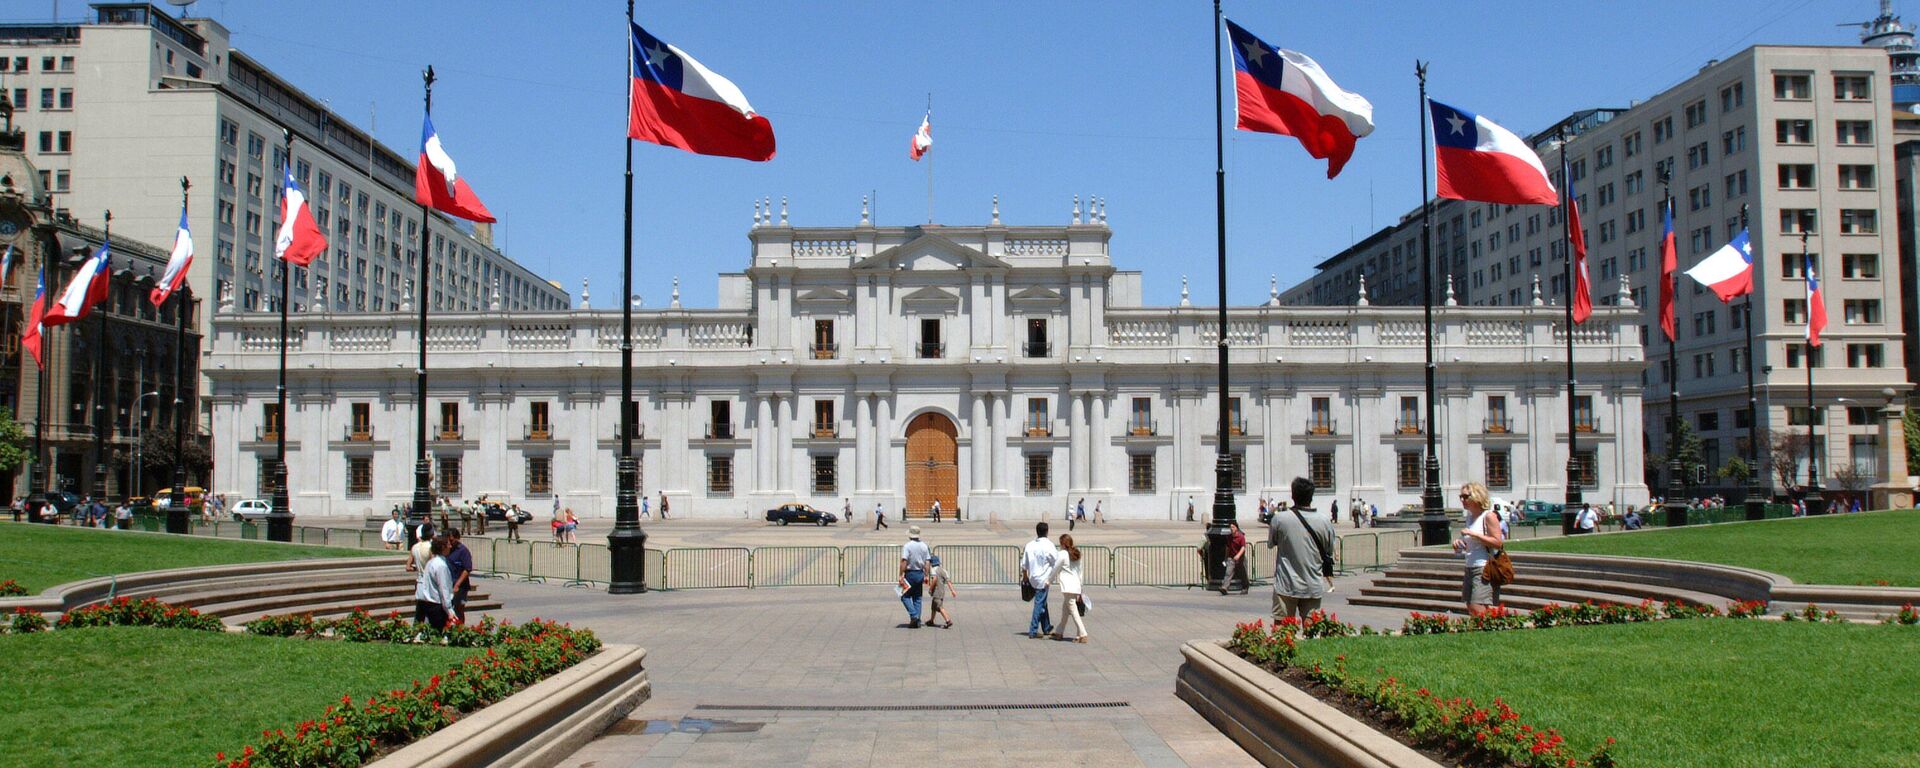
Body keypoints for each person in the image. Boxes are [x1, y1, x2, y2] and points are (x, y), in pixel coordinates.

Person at [1269, 477, 1336, 621]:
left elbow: (1271, 543)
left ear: (1292, 495)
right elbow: (1329, 550)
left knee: (1283, 630)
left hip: (1286, 584)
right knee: (1312, 629)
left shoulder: (1280, 519)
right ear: (1312, 496)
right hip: (1313, 584)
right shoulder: (1325, 521)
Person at [1452, 482, 1505, 611]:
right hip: (1469, 565)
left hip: (1483, 567)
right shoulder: (1470, 517)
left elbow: (1498, 542)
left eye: (1465, 496)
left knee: (1478, 607)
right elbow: (1470, 543)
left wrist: (1473, 534)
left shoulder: (1488, 516)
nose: (1462, 500)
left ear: (1476, 496)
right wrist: (1459, 543)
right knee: (1470, 605)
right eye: (1461, 497)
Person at [1021, 522, 1058, 639]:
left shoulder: (1030, 545)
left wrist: (1025, 577)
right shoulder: (1049, 545)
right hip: (1043, 579)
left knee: (1042, 602)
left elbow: (1024, 564)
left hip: (1033, 578)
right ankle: (1033, 629)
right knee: (1039, 603)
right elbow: (1056, 561)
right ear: (1047, 531)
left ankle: (1046, 627)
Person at [414, 534, 456, 630]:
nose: (450, 546)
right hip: (437, 605)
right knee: (440, 633)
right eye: (448, 544)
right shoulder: (441, 565)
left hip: (428, 603)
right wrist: (449, 610)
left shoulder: (431, 562)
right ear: (442, 547)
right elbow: (443, 588)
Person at [1053, 533, 1089, 643]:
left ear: (1063, 544)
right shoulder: (1076, 553)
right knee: (1065, 609)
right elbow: (1080, 572)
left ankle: (1083, 633)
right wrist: (1080, 587)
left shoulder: (1063, 554)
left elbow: (1055, 568)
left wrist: (1048, 580)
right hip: (1076, 585)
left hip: (1068, 586)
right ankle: (1059, 631)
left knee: (1073, 610)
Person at [898, 526, 931, 628]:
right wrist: (926, 575)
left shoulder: (907, 546)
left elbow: (904, 561)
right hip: (920, 573)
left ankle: (914, 615)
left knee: (904, 596)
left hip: (910, 573)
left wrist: (901, 575)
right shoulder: (924, 546)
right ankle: (916, 621)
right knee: (917, 597)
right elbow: (927, 562)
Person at [445, 528, 474, 623]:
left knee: (459, 609)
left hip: (460, 586)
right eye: (448, 540)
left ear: (457, 538)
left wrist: (457, 584)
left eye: (452, 540)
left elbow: (467, 569)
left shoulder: (463, 551)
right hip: (448, 584)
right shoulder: (447, 550)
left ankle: (460, 628)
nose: (450, 542)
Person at [1221, 521, 1250, 595]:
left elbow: (1243, 547)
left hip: (1240, 558)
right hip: (1231, 558)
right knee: (1228, 572)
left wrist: (1238, 555)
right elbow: (1228, 548)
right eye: (1230, 527)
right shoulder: (1229, 537)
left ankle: (1245, 587)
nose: (1231, 529)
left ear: (1236, 528)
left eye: (1233, 527)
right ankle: (1224, 587)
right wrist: (1226, 557)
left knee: (1243, 574)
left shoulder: (1241, 537)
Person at [926, 554, 954, 629]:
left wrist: (930, 588)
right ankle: (931, 620)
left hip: (936, 592)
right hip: (942, 592)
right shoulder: (943, 570)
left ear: (931, 563)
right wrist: (952, 590)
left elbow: (934, 580)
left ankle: (948, 620)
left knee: (939, 607)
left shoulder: (933, 570)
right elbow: (948, 581)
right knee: (933, 607)